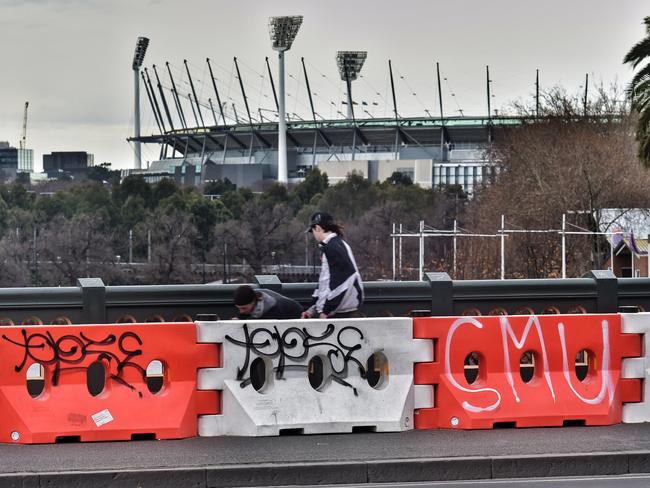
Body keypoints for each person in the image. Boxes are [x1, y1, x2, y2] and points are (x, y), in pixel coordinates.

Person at [302, 211, 364, 319]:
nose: (314, 235)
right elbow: (326, 281)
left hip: (341, 312)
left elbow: (342, 282)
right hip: (342, 310)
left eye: (312, 231)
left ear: (317, 228)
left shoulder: (332, 247)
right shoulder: (337, 244)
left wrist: (326, 310)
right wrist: (312, 308)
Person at [232, 285, 303, 320]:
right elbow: (245, 313)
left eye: (244, 308)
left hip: (294, 314)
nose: (241, 311)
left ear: (253, 301)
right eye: (239, 308)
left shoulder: (273, 307)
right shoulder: (252, 297)